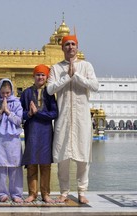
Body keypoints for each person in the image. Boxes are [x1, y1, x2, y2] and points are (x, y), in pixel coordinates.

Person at [47, 34, 99, 204]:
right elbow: (49, 89)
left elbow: (95, 86)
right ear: (62, 48)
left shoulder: (86, 66)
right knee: (62, 157)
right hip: (63, 118)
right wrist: (66, 77)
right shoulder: (56, 68)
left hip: (81, 118)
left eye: (73, 44)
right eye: (67, 44)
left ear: (77, 47)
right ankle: (64, 191)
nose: (70, 47)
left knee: (83, 157)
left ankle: (82, 191)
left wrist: (76, 75)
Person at [20, 64, 58, 203]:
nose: (40, 77)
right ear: (33, 76)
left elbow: (54, 113)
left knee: (45, 164)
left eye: (43, 75)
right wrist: (29, 113)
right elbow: (20, 113)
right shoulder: (26, 93)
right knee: (31, 163)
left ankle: (45, 193)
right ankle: (32, 193)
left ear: (47, 77)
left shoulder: (49, 93)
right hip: (31, 131)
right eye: (38, 75)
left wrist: (38, 113)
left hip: (46, 132)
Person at [0, 78, 23, 203]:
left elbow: (19, 121)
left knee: (15, 167)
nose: (5, 96)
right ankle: (1, 193)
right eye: (3, 93)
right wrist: (0, 111)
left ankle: (16, 193)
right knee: (0, 167)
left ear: (11, 91)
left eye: (7, 93)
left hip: (13, 139)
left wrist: (8, 112)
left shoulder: (17, 104)